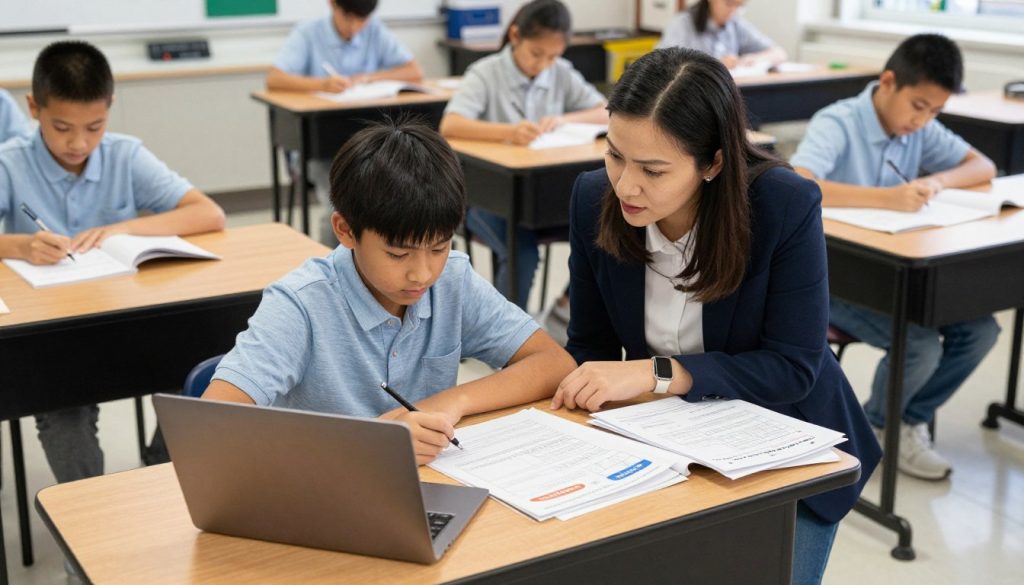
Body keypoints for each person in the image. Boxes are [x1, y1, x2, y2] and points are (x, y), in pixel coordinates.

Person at [549, 47, 880, 585]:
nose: (625, 185)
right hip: (672, 441)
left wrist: (658, 373)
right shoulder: (594, 199)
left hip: (789, 441)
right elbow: (591, 346)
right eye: (614, 156)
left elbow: (793, 366)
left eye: (653, 170)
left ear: (713, 163)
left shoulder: (783, 204)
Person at [202, 118, 576, 464]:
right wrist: (373, 439)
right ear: (345, 230)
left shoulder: (452, 279)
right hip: (322, 484)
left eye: (439, 248)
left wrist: (451, 401)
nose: (423, 274)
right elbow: (212, 427)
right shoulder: (301, 304)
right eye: (398, 254)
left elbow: (554, 362)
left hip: (426, 480)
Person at [0, 41, 225, 483]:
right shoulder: (10, 164)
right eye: (61, 127)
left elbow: (208, 213)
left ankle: (161, 474)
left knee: (200, 368)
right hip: (51, 333)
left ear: (110, 108)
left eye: (95, 126)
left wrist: (124, 229)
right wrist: (21, 246)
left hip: (127, 320)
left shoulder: (125, 154)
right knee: (64, 414)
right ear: (33, 108)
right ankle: (91, 506)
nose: (78, 143)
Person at [791, 33, 998, 481]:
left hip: (896, 272)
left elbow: (982, 166)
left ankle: (905, 420)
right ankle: (878, 428)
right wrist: (886, 199)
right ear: (888, 82)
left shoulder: (918, 127)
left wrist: (937, 182)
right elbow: (800, 183)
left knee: (981, 331)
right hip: (836, 278)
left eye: (935, 112)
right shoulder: (838, 121)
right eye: (918, 106)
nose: (923, 120)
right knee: (919, 345)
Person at [440, 0, 607, 328]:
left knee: (605, 234)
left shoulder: (560, 72)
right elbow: (451, 125)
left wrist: (564, 119)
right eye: (536, 54)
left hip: (543, 198)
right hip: (487, 199)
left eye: (553, 56)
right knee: (522, 252)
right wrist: (509, 132)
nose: (543, 64)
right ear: (516, 36)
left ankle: (565, 306)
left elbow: (605, 110)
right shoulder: (485, 72)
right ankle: (504, 333)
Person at [267, 0, 424, 246]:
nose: (355, 27)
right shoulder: (308, 33)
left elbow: (414, 72)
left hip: (370, 147)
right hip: (321, 149)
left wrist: (369, 78)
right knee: (340, 207)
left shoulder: (374, 30)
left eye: (362, 20)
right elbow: (275, 79)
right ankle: (333, 265)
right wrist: (321, 84)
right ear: (333, 5)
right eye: (349, 18)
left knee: (406, 198)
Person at [656, 0, 785, 70]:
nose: (733, 10)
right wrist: (716, 64)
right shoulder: (682, 23)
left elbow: (779, 53)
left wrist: (752, 59)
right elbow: (661, 64)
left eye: (739, 5)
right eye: (729, 3)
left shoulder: (735, 24)